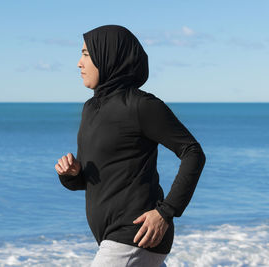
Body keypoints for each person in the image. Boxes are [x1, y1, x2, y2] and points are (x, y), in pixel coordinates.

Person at [55, 25, 206, 267]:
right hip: (112, 236)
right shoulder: (90, 109)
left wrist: (166, 212)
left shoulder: (141, 106)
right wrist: (72, 175)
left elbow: (193, 153)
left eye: (86, 54)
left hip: (135, 234)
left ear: (108, 55)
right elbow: (91, 178)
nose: (79, 63)